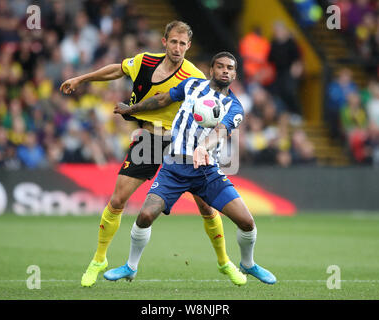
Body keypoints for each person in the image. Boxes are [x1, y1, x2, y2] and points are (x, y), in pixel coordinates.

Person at [60, 21, 237, 287]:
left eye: (183, 44)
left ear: (189, 46)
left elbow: (217, 105)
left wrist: (222, 130)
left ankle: (224, 262)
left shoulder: (195, 76)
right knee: (118, 199)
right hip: (149, 141)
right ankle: (99, 259)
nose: (178, 48)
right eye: (173, 42)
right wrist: (81, 78)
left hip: (181, 145)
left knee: (206, 207)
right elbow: (117, 70)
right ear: (165, 42)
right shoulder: (144, 61)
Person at [107, 52, 277, 286]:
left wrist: (203, 147)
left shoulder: (235, 108)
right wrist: (132, 109)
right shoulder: (191, 85)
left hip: (207, 171)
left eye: (230, 68)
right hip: (174, 167)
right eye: (220, 66)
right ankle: (130, 267)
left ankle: (247, 264)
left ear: (235, 74)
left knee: (247, 223)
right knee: (145, 215)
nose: (225, 71)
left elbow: (221, 131)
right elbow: (162, 100)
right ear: (211, 70)